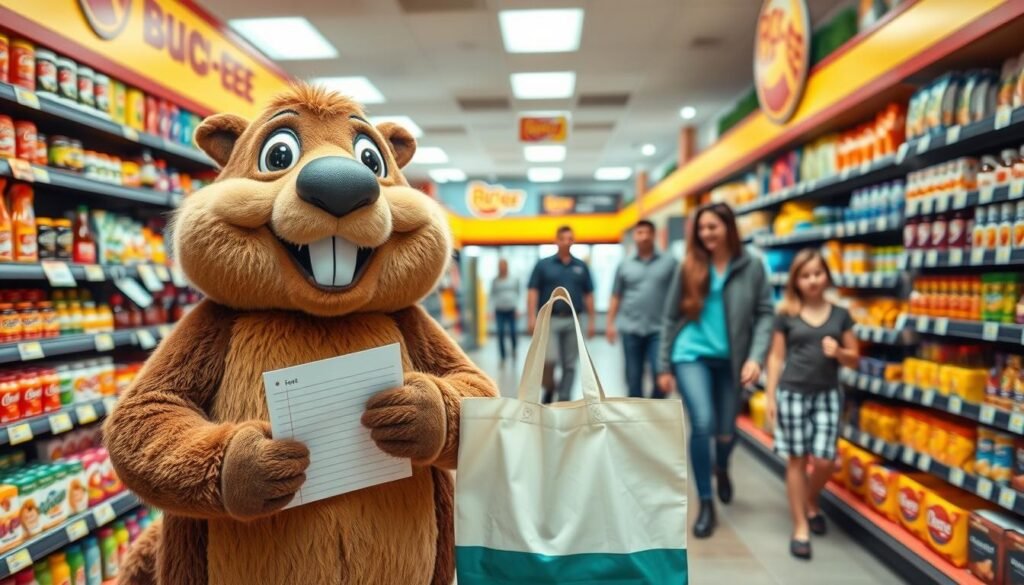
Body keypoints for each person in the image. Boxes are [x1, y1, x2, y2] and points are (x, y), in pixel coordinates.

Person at [656, 202, 773, 539]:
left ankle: (722, 465)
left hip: (733, 361)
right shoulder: (688, 265)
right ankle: (705, 502)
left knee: (726, 431)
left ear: (729, 228)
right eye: (702, 228)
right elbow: (669, 318)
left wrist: (757, 357)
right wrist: (664, 364)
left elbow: (765, 313)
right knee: (703, 423)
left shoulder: (752, 266)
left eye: (713, 227)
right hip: (690, 353)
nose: (706, 234)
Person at [764, 248, 858, 560]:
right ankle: (801, 525)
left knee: (825, 460)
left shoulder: (840, 314)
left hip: (828, 393)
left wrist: (839, 353)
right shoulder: (786, 314)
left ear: (827, 276)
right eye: (805, 275)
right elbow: (777, 357)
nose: (813, 280)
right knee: (796, 459)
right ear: (796, 281)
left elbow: (855, 358)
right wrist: (770, 395)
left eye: (818, 273)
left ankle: (810, 498)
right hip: (792, 392)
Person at [606, 220, 678, 398]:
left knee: (660, 374)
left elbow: (679, 294)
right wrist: (610, 323)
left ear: (655, 235)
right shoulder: (624, 265)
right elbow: (616, 295)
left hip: (659, 330)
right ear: (634, 236)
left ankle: (654, 414)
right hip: (631, 328)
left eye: (648, 232)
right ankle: (636, 418)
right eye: (640, 233)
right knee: (633, 377)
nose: (644, 236)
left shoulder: (670, 263)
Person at [528, 226, 595, 403]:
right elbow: (533, 291)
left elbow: (588, 294)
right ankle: (549, 389)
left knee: (570, 363)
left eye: (570, 238)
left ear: (573, 241)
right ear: (556, 241)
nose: (566, 241)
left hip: (573, 320)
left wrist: (592, 321)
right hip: (550, 319)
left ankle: (564, 397)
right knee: (548, 359)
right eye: (563, 238)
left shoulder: (581, 266)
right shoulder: (543, 265)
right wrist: (531, 317)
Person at [491, 258, 520, 363]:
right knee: (500, 333)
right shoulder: (495, 281)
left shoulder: (514, 279)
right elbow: (492, 295)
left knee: (513, 331)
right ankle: (503, 356)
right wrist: (491, 311)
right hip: (499, 311)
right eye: (500, 266)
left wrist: (518, 308)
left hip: (511, 309)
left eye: (504, 266)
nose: (502, 268)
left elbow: (518, 294)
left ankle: (514, 349)